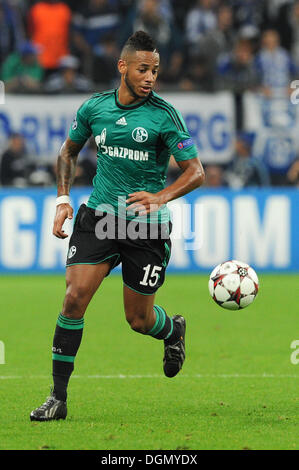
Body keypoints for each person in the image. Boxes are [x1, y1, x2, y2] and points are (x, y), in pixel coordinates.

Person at [30, 30, 205, 421]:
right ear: (122, 66)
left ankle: (171, 330)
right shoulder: (95, 109)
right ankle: (58, 398)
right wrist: (62, 200)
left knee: (138, 320)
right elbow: (68, 152)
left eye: (155, 71)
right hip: (99, 218)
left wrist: (160, 197)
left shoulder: (163, 116)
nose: (150, 77)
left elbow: (196, 173)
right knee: (73, 298)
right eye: (143, 69)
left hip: (146, 227)